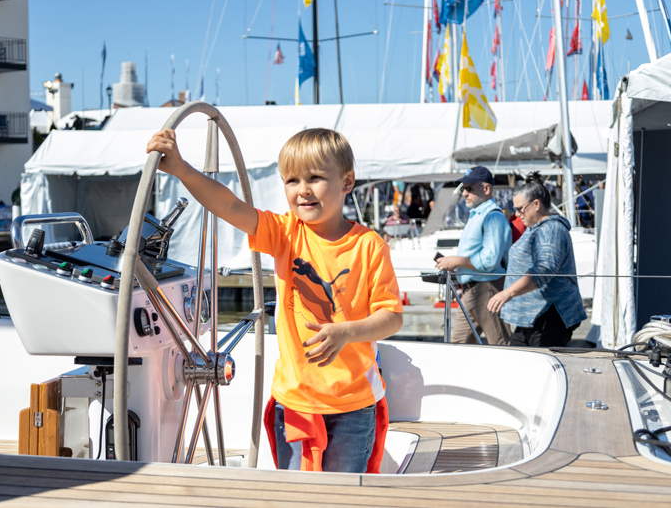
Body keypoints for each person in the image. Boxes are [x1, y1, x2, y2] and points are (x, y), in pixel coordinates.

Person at [146, 128, 403, 473]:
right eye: (292, 180)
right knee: (295, 494)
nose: (303, 190)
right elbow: (228, 205)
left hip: (353, 406)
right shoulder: (285, 233)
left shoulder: (370, 245)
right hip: (295, 400)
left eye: (315, 178)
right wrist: (181, 168)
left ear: (347, 181)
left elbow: (392, 317)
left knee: (341, 498)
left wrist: (345, 332)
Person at [487, 172, 587, 347]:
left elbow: (544, 269)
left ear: (536, 204)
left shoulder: (551, 229)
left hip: (550, 315)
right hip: (532, 317)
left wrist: (508, 292)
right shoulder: (535, 228)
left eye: (520, 209)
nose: (517, 215)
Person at [435, 166, 512, 345]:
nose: (464, 193)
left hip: (487, 288)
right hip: (472, 290)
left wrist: (456, 261)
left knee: (501, 347)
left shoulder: (493, 216)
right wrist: (457, 265)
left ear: (486, 188)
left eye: (469, 188)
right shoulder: (479, 214)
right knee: (457, 348)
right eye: (463, 188)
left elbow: (490, 259)